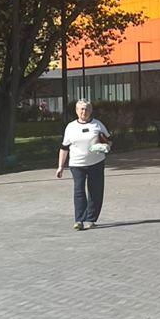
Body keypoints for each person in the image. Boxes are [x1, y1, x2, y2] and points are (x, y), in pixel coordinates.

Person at [56, 98, 112, 230]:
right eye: (81, 109)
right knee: (79, 190)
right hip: (77, 164)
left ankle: (91, 219)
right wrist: (60, 167)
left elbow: (109, 140)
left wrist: (106, 146)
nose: (84, 112)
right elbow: (64, 148)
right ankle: (79, 220)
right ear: (76, 111)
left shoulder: (97, 125)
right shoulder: (71, 127)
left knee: (95, 191)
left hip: (96, 163)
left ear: (91, 111)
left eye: (86, 109)